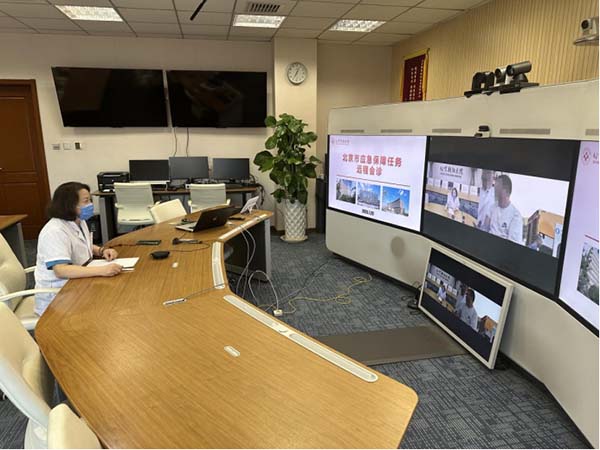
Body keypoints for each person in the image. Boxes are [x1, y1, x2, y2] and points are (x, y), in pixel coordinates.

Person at [34, 182, 123, 316]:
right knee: (108, 306)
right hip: (58, 295)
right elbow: (61, 270)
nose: (90, 205)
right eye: (86, 201)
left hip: (78, 283)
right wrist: (102, 270)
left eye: (90, 200)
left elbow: (80, 244)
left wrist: (101, 250)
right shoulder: (54, 231)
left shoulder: (79, 221)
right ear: (70, 205)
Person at [488, 174, 524, 244]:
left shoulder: (516, 216)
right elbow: (485, 227)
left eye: (497, 185)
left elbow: (512, 245)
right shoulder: (492, 207)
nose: (494, 188)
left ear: (506, 190)